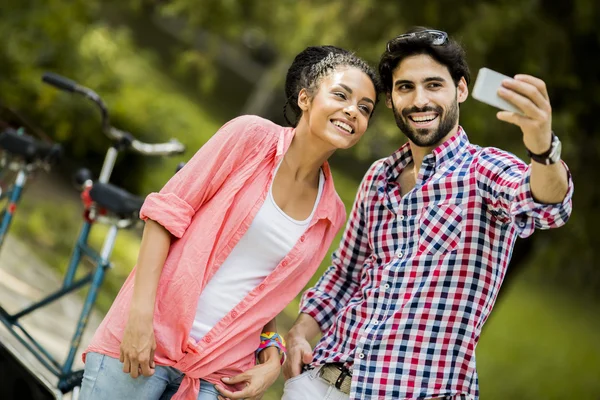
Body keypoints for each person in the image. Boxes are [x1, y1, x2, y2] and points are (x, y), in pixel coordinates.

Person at [283, 27, 573, 400]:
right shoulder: (379, 177)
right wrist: (298, 333)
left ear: (461, 90)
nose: (419, 100)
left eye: (434, 85)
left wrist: (543, 149)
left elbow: (549, 205)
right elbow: (345, 274)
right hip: (320, 382)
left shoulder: (484, 171)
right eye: (405, 88)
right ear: (391, 101)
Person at [78, 45, 381, 400]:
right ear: (305, 98)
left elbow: (265, 295)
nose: (352, 111)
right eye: (341, 95)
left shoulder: (331, 213)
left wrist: (273, 352)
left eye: (364, 108)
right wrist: (138, 319)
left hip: (218, 375)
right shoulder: (250, 137)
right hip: (147, 342)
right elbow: (164, 215)